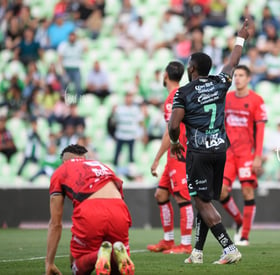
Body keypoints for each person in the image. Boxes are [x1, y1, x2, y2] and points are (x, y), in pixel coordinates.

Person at [168, 19, 250, 265]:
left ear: (192, 68)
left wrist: (174, 142)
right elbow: (233, 61)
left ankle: (229, 247)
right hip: (220, 151)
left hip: (198, 153)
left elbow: (173, 125)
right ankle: (198, 252)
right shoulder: (220, 82)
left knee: (201, 201)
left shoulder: (183, 92)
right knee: (205, 200)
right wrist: (241, 38)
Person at [46, 144, 135, 275]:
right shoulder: (103, 166)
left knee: (77, 268)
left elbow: (55, 224)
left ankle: (97, 255)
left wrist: (49, 262)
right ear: (84, 158)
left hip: (90, 210)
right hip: (119, 208)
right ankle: (116, 253)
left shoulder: (62, 170)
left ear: (64, 161)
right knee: (116, 269)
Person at [148, 61, 194, 254]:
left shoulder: (173, 98)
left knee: (182, 197)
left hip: (179, 154)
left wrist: (157, 157)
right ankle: (168, 240)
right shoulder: (178, 94)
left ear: (165, 75)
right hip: (173, 155)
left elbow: (170, 132)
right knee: (161, 194)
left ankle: (185, 244)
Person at [219, 65, 267, 247]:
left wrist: (258, 156)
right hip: (228, 153)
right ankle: (239, 220)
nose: (237, 78)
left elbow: (261, 130)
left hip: (247, 153)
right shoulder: (227, 98)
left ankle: (245, 235)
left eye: (241, 75)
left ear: (248, 79)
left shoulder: (257, 100)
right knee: (221, 191)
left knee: (248, 191)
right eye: (235, 75)